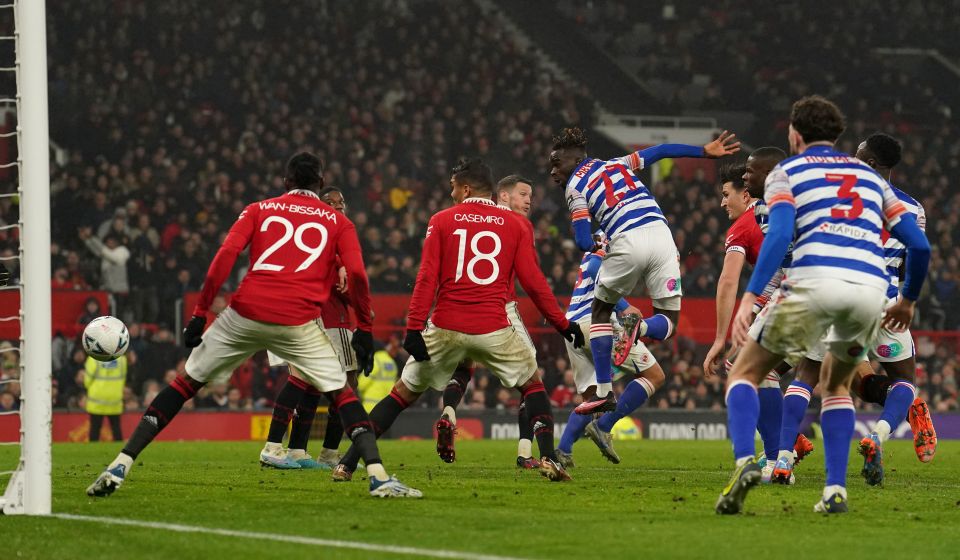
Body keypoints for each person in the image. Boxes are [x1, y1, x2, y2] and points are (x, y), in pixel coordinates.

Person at [86, 152, 421, 499]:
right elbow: (358, 276)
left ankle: (120, 464)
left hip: (244, 313)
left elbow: (225, 256)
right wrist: (364, 328)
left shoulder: (258, 208)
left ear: (286, 182)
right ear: (320, 185)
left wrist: (201, 312)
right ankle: (379, 477)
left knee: (185, 383)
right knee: (342, 392)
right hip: (298, 319)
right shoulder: (339, 222)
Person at [716, 96, 930, 515]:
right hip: (869, 292)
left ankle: (746, 464)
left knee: (744, 371)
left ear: (795, 134)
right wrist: (908, 300)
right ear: (838, 137)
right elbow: (919, 245)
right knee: (836, 386)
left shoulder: (786, 173)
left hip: (813, 282)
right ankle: (834, 491)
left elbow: (777, 241)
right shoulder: (874, 182)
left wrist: (748, 299)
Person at [332, 158, 584, 483]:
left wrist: (413, 327)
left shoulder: (441, 220)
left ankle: (347, 464)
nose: (451, 193)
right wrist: (562, 324)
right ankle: (548, 458)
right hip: (493, 325)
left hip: (445, 325)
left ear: (465, 188)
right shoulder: (516, 225)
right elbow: (533, 283)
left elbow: (426, 278)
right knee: (532, 384)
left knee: (401, 395)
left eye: (453, 187)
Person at [770, 132, 938, 486]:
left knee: (806, 376)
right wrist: (907, 300)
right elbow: (913, 260)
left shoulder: (836, 197)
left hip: (835, 291)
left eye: (859, 154)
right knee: (903, 379)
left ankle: (782, 458)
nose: (853, 156)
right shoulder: (913, 209)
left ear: (873, 163)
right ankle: (877, 435)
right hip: (886, 299)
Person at [548, 128, 740, 413]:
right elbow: (661, 151)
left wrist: (600, 241)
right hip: (663, 236)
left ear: (574, 159)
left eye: (556, 163)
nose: (553, 171)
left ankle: (603, 392)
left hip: (626, 237)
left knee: (600, 311)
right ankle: (643, 326)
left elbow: (582, 241)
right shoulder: (617, 163)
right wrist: (704, 152)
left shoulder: (574, 185)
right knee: (669, 322)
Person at [703, 155, 814, 482]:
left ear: (746, 194)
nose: (723, 202)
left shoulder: (745, 226)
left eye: (727, 194)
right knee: (830, 381)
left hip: (793, 302)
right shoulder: (787, 207)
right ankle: (788, 446)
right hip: (834, 295)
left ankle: (775, 454)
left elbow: (727, 281)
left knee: (743, 369)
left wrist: (720, 338)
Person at [436, 174, 546, 468]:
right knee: (530, 379)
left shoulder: (470, 218)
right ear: (504, 196)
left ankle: (448, 410)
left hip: (458, 307)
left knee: (464, 367)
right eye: (523, 194)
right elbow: (531, 277)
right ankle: (527, 453)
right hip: (501, 309)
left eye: (530, 196)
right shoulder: (518, 225)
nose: (528, 200)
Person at [258, 187, 362, 470]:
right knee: (329, 383)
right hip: (325, 317)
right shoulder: (328, 232)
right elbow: (345, 284)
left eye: (342, 202)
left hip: (297, 311)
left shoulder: (319, 229)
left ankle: (296, 450)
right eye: (331, 202)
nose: (338, 207)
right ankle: (281, 447)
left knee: (311, 385)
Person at [555, 231, 663, 467]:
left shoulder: (603, 235)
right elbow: (595, 267)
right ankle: (604, 427)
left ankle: (563, 450)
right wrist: (623, 306)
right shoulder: (615, 233)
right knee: (655, 376)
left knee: (594, 398)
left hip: (572, 327)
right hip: (595, 323)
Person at [84, 354, 127, 442]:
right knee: (116, 430)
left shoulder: (93, 359)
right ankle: (120, 454)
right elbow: (123, 378)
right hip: (115, 399)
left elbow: (87, 381)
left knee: (95, 429)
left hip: (97, 400)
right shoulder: (122, 359)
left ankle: (93, 453)